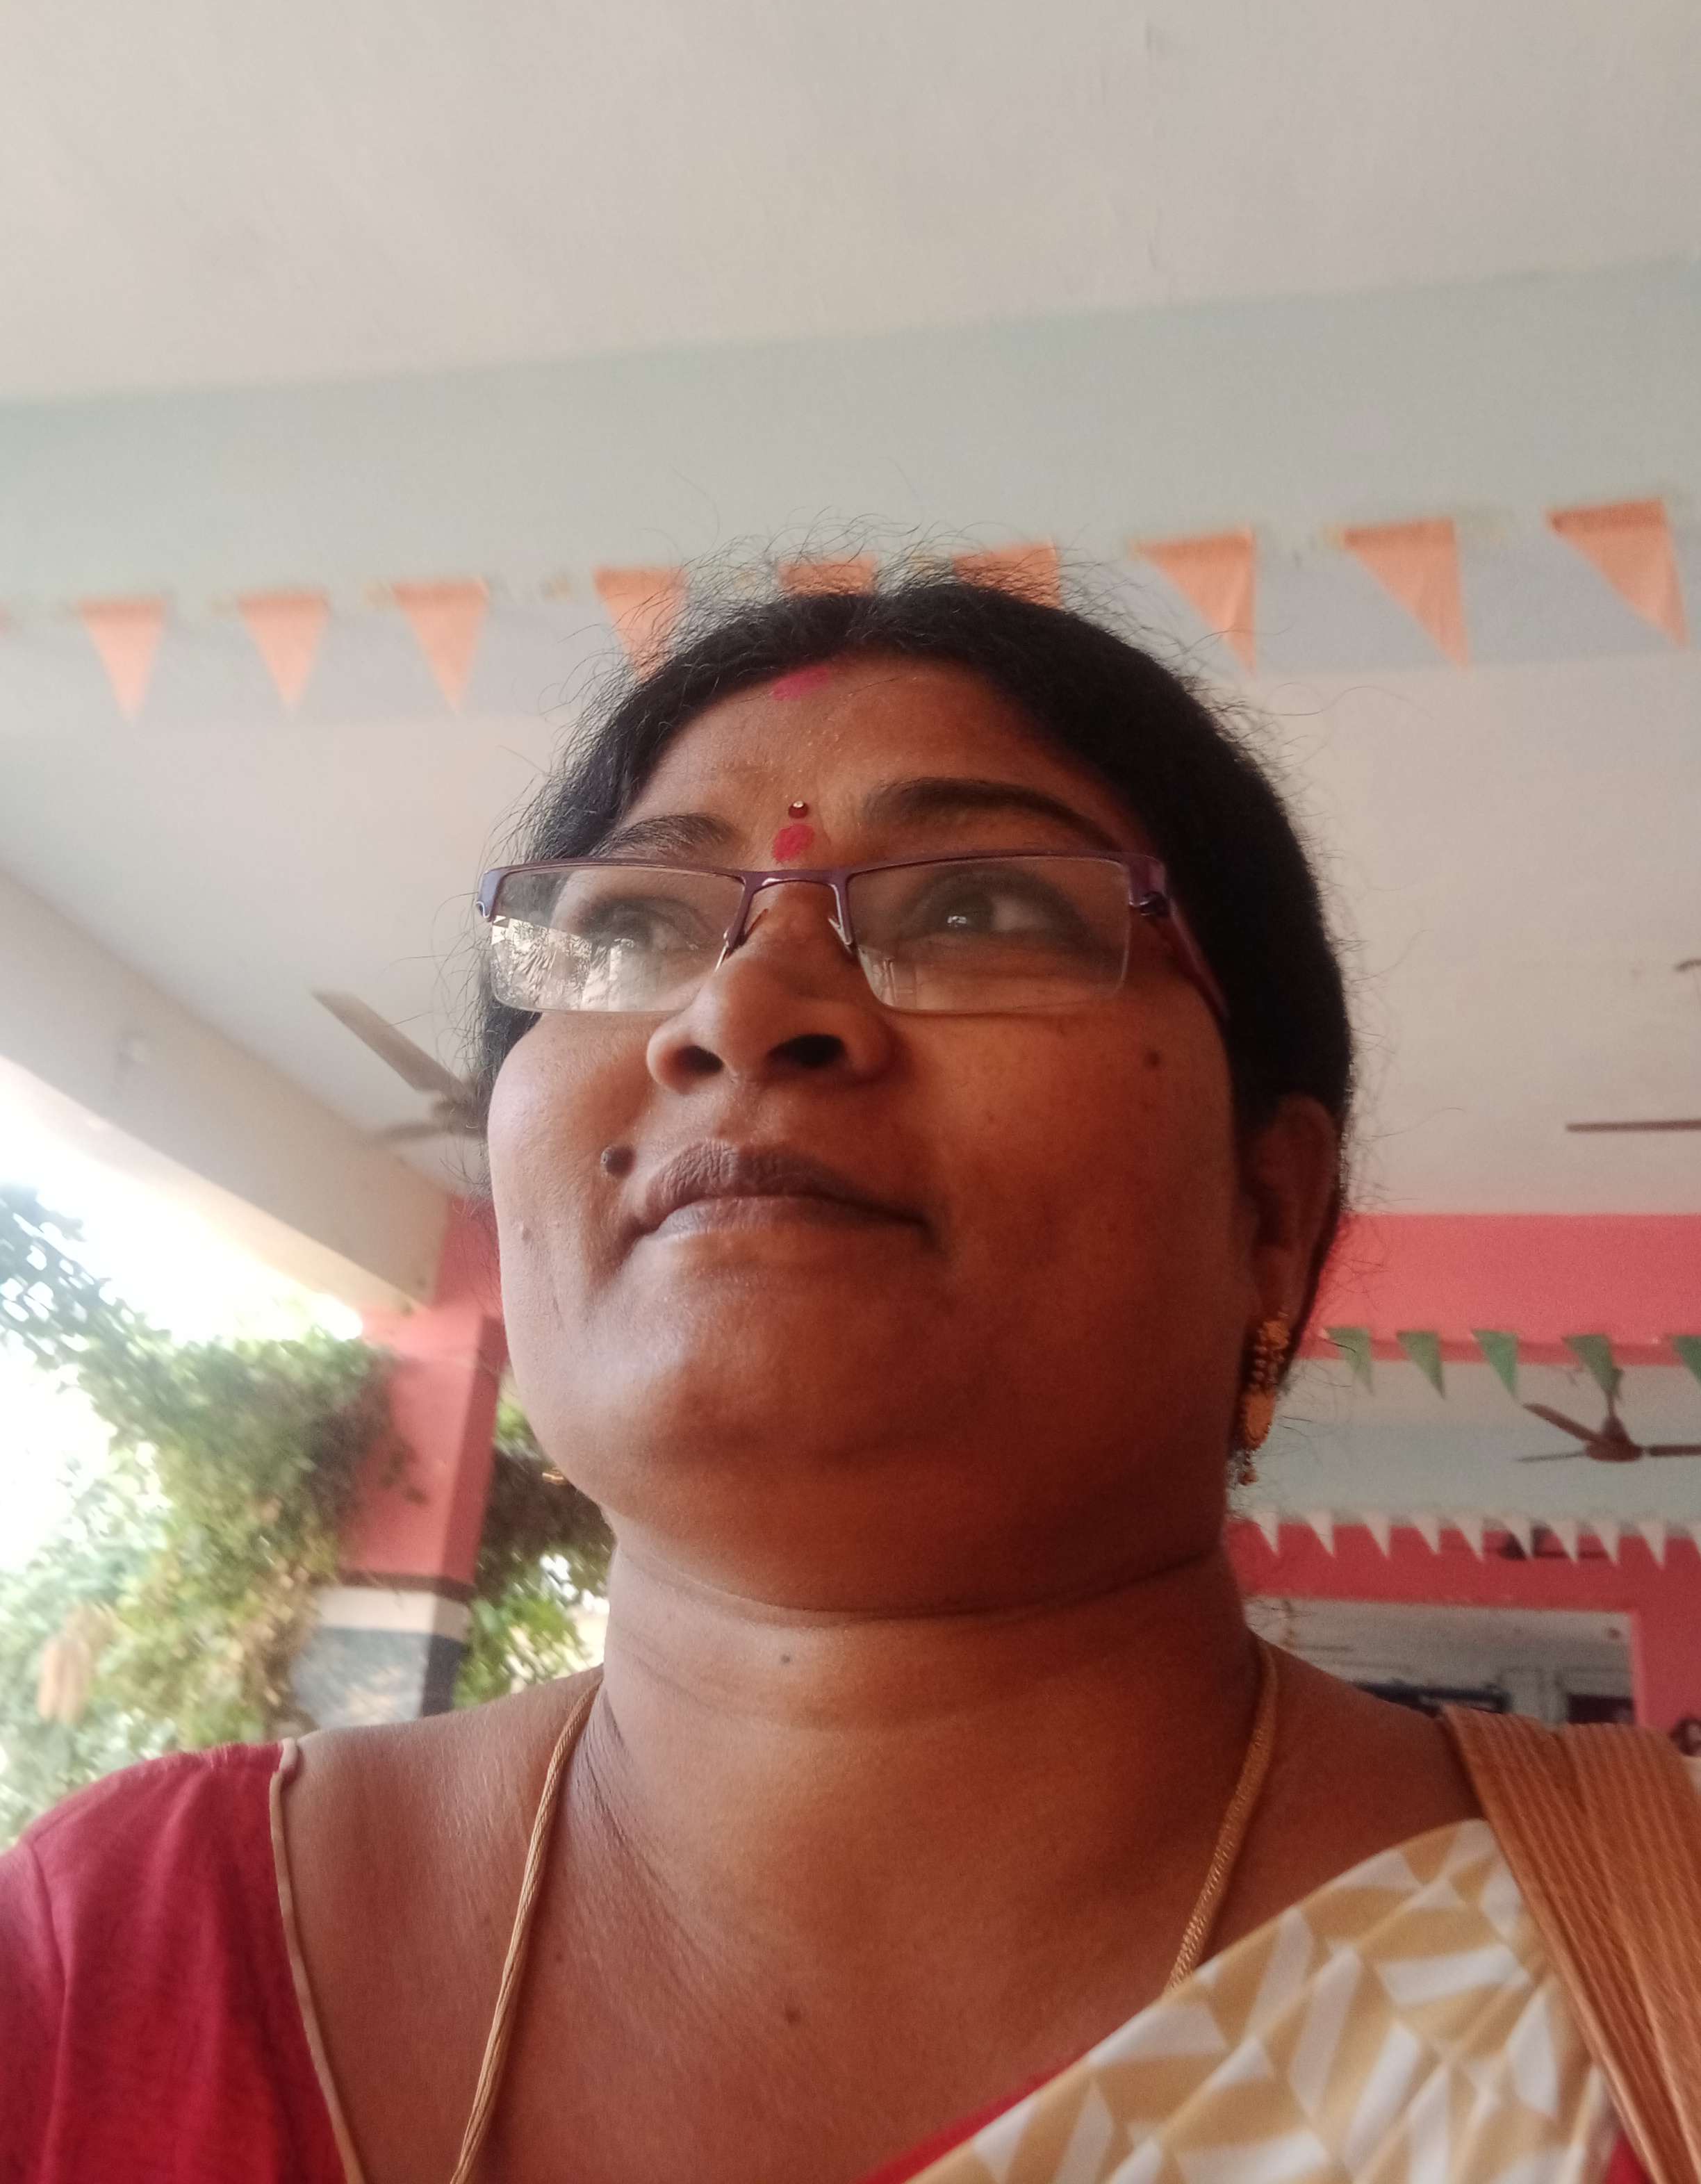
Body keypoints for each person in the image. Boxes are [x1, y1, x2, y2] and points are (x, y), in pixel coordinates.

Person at [1, 572, 1686, 2183]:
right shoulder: (107, 1959)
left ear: (1269, 1214)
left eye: (976, 907)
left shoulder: (1658, 1963)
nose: (741, 1009)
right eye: (634, 922)